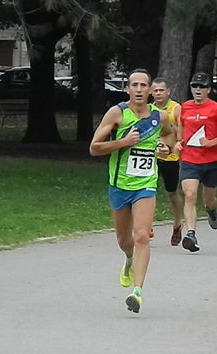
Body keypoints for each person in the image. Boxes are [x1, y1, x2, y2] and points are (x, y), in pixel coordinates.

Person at [89, 68, 176, 314]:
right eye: (134, 85)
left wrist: (165, 149)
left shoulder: (161, 117)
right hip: (119, 185)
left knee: (141, 236)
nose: (139, 90)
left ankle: (137, 292)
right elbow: (94, 148)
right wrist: (123, 142)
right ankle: (128, 259)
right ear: (127, 89)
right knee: (124, 241)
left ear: (150, 90)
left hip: (146, 185)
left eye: (143, 85)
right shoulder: (117, 113)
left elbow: (170, 137)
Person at [175, 72, 217, 252]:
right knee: (190, 195)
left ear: (208, 89)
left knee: (208, 199)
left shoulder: (215, 108)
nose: (198, 90)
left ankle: (212, 211)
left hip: (211, 161)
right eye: (194, 86)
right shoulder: (185, 107)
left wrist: (211, 142)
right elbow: (181, 125)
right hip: (189, 160)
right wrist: (179, 141)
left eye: (202, 87)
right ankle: (190, 234)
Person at [151, 77, 183, 246]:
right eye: (155, 90)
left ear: (168, 91)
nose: (158, 93)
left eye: (161, 90)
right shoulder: (147, 109)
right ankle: (147, 225)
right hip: (151, 155)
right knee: (147, 190)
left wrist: (177, 142)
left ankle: (177, 224)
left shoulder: (176, 108)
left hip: (170, 156)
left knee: (172, 193)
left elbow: (181, 131)